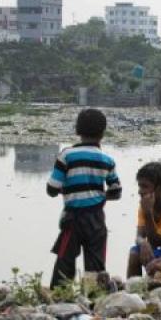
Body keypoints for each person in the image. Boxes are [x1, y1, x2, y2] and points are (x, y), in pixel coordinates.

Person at [46, 109, 122, 288]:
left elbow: (51, 189)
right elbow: (117, 192)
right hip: (96, 218)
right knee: (95, 265)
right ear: (102, 133)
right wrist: (100, 195)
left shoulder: (66, 155)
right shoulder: (107, 160)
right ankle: (95, 299)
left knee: (65, 261)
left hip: (73, 218)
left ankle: (59, 297)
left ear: (77, 131)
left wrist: (68, 189)